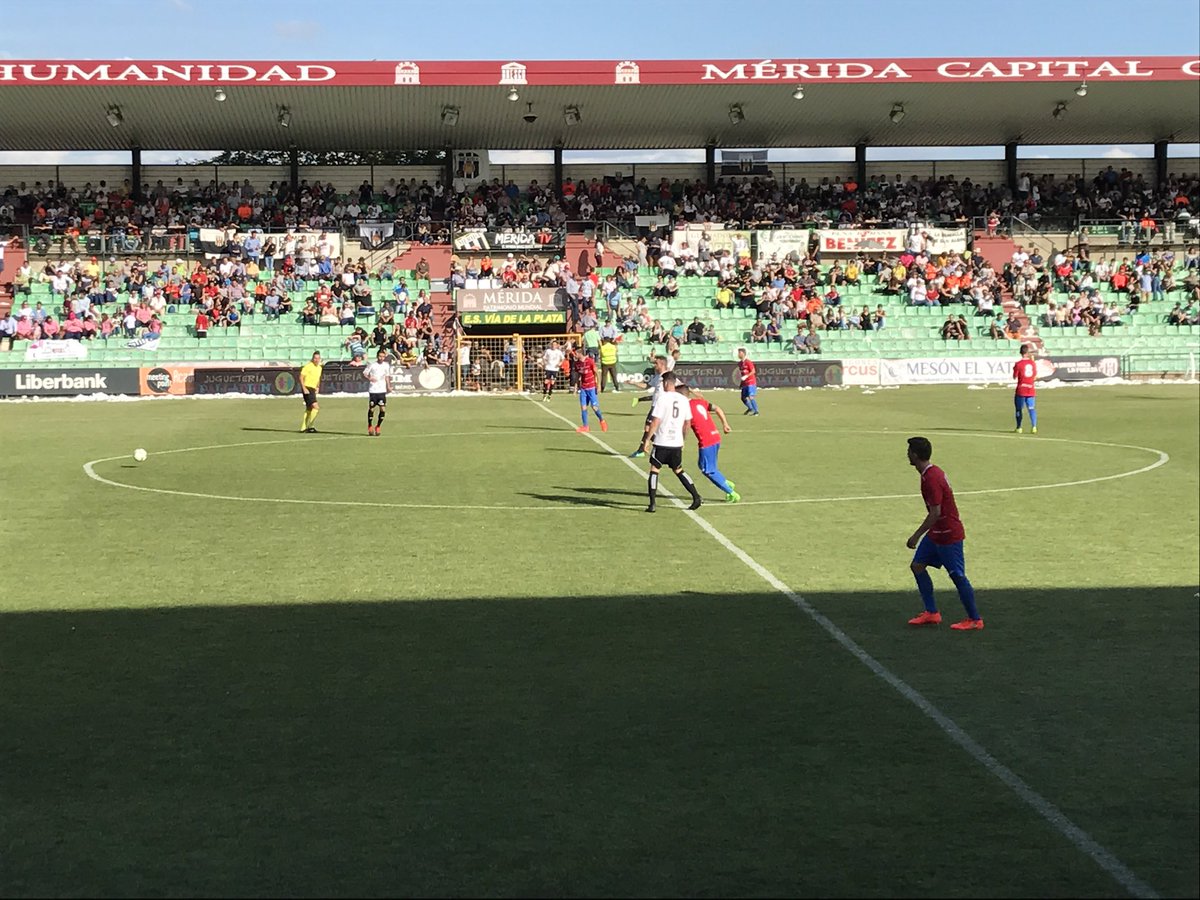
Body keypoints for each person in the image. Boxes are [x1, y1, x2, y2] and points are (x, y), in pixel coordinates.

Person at [905, 436, 983, 631]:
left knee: (957, 575)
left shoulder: (931, 478)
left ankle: (975, 619)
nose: (907, 454)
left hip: (948, 534)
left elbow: (936, 512)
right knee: (917, 566)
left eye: (909, 451)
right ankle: (932, 613)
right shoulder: (931, 473)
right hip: (937, 532)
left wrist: (916, 535)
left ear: (915, 454)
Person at [642, 371, 703, 513]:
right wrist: (683, 439)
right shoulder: (683, 399)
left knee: (654, 470)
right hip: (676, 443)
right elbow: (687, 423)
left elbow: (656, 421)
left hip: (662, 441)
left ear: (665, 383)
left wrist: (647, 440)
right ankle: (696, 496)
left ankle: (652, 504)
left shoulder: (662, 398)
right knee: (679, 470)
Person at [677, 385, 739, 503]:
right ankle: (726, 483)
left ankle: (731, 492)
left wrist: (682, 441)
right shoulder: (699, 402)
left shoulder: (686, 407)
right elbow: (718, 408)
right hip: (715, 436)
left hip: (707, 441)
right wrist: (725, 424)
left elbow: (687, 426)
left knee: (708, 470)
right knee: (706, 466)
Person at [629, 355, 670, 458]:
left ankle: (658, 447)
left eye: (656, 363)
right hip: (655, 406)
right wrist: (633, 383)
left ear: (662, 364)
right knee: (648, 428)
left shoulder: (668, 376)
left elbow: (677, 387)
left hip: (660, 407)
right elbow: (647, 386)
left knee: (649, 428)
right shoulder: (657, 376)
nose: (654, 365)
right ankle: (642, 450)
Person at [572, 347, 607, 434]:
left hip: (591, 388)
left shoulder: (590, 361)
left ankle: (602, 420)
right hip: (583, 388)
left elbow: (597, 373)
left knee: (594, 407)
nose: (574, 355)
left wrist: (598, 385)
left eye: (576, 353)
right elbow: (578, 376)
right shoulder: (577, 364)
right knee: (583, 407)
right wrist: (576, 387)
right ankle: (585, 426)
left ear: (580, 353)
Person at [363, 348, 392, 436]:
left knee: (383, 408)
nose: (381, 358)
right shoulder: (372, 365)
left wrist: (388, 386)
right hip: (373, 390)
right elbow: (365, 373)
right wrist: (369, 378)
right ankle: (370, 425)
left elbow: (387, 376)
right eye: (380, 356)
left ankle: (378, 426)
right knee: (372, 408)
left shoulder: (386, 365)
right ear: (377, 356)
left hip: (382, 390)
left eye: (383, 356)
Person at [1013, 343, 1038, 434]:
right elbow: (1035, 376)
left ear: (1020, 352)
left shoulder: (1018, 364)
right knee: (1031, 408)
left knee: (1019, 409)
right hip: (1030, 389)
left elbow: (1014, 376)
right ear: (1027, 352)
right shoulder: (1032, 363)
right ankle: (1034, 426)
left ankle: (1019, 427)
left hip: (1021, 389)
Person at [299, 351, 324, 433]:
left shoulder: (320, 368)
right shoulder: (308, 366)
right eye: (315, 358)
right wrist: (304, 388)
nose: (316, 360)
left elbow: (318, 378)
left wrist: (317, 387)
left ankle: (303, 427)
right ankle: (311, 426)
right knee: (316, 407)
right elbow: (301, 377)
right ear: (312, 358)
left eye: (318, 358)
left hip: (312, 388)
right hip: (307, 388)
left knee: (309, 408)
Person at [737, 347, 760, 416]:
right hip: (744, 383)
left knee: (751, 396)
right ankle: (750, 408)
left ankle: (756, 411)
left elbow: (753, 371)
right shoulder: (740, 364)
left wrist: (747, 376)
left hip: (750, 382)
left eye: (739, 353)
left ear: (743, 354)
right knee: (743, 398)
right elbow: (742, 374)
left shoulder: (748, 362)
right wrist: (741, 383)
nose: (738, 354)